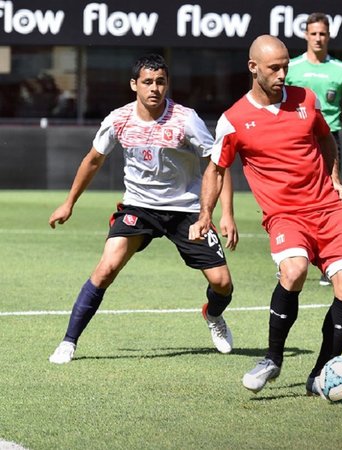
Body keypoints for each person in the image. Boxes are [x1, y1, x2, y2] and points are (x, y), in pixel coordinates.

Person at [190, 35, 342, 395]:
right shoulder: (234, 119)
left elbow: (326, 139)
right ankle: (273, 358)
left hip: (328, 208)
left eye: (286, 65)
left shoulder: (306, 100)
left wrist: (336, 180)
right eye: (275, 68)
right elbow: (216, 170)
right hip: (285, 214)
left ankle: (320, 375)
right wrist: (206, 213)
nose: (283, 73)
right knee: (294, 269)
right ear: (253, 68)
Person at [48, 54, 238, 364]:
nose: (154, 88)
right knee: (106, 268)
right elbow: (93, 160)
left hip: (186, 209)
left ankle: (212, 314)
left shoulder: (186, 119)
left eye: (160, 82)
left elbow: (217, 164)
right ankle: (68, 342)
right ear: (134, 84)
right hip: (139, 207)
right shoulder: (118, 119)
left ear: (167, 84)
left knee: (222, 283)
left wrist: (224, 213)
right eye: (147, 82)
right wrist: (69, 203)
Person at [286, 11, 342, 285]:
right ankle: (291, 256)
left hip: (329, 138)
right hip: (297, 138)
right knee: (294, 196)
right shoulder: (292, 68)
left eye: (323, 33)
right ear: (306, 35)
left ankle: (334, 260)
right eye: (313, 33)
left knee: (334, 194)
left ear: (329, 35)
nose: (318, 38)